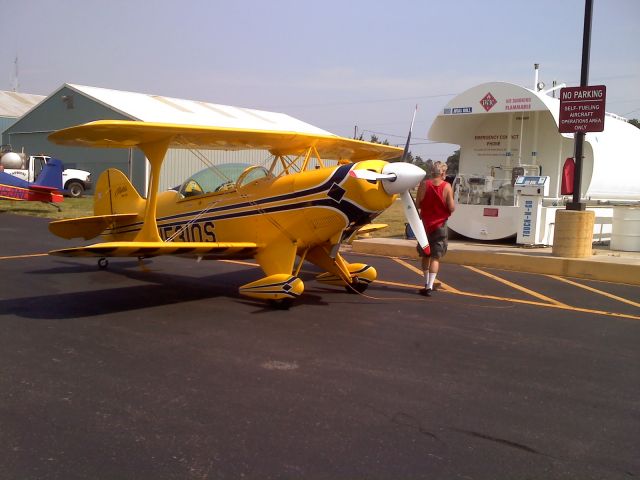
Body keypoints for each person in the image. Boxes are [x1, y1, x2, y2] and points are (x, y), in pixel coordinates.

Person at [416, 161, 455, 297]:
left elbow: (417, 203)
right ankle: (431, 285)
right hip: (440, 225)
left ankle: (425, 283)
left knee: (425, 254)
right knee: (435, 257)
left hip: (425, 225)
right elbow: (451, 207)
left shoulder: (423, 185)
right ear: (443, 172)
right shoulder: (447, 186)